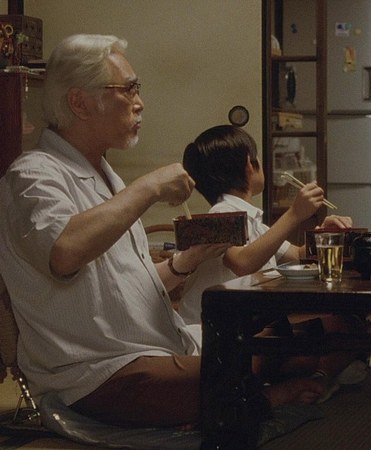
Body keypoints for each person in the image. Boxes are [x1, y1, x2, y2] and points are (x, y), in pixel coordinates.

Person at [0, 34, 328, 429]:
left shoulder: (106, 177)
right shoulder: (32, 175)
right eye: (129, 89)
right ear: (80, 102)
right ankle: (257, 398)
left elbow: (123, 283)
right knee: (237, 364)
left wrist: (184, 262)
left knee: (308, 337)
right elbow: (64, 252)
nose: (140, 102)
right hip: (97, 373)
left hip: (159, 344)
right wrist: (150, 187)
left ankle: (242, 393)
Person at [181, 124, 366, 398]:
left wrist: (324, 232)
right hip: (218, 336)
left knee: (347, 326)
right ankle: (299, 384)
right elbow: (242, 262)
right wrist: (294, 214)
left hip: (253, 324)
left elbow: (297, 254)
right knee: (334, 336)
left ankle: (315, 378)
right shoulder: (221, 214)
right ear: (249, 164)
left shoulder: (251, 217)